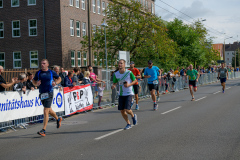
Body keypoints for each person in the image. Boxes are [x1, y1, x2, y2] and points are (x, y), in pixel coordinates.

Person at [32, 59, 62, 137]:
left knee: (45, 111)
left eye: (44, 63)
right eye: (41, 63)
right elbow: (33, 81)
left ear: (47, 64)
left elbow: (59, 78)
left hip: (49, 92)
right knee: (49, 110)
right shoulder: (38, 73)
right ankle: (58, 119)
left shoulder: (51, 72)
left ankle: (44, 130)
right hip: (42, 93)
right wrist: (36, 83)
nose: (42, 65)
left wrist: (55, 83)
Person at [111, 59, 137, 130]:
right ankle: (128, 123)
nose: (120, 65)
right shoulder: (116, 74)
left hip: (129, 93)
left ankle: (133, 115)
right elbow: (115, 83)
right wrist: (113, 86)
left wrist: (129, 84)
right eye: (119, 63)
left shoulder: (129, 73)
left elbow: (135, 80)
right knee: (122, 111)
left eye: (121, 63)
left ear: (124, 65)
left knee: (127, 109)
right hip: (121, 94)